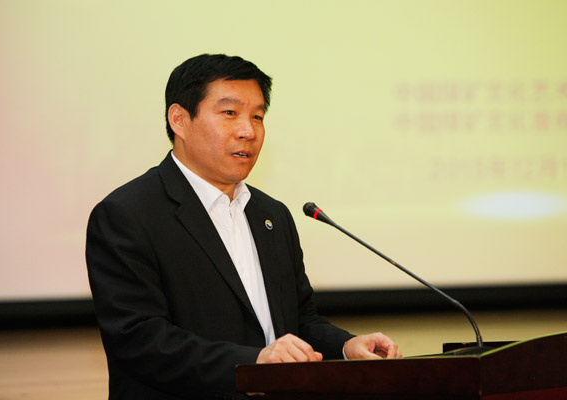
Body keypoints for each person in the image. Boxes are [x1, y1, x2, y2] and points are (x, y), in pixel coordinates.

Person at [86, 54, 401, 400]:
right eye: (229, 113)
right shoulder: (128, 215)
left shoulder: (272, 216)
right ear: (179, 120)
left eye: (257, 116)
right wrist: (254, 362)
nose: (248, 131)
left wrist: (346, 346)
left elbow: (299, 323)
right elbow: (139, 340)